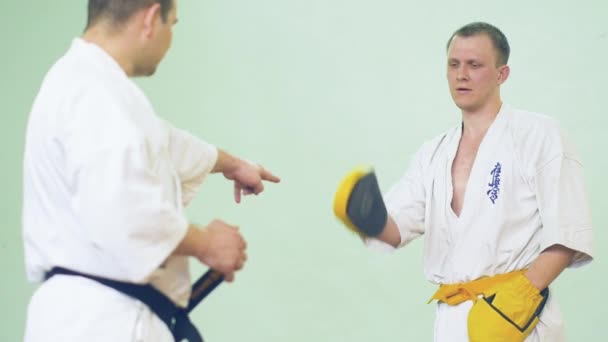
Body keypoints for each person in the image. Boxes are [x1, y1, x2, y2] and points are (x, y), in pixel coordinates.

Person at [21, 0, 280, 341]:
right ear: (149, 20)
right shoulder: (95, 94)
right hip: (102, 324)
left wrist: (233, 165)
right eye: (172, 23)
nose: (170, 37)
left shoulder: (87, 84)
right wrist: (207, 244)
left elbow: (161, 144)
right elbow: (123, 213)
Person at [335, 22, 593, 341]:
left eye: (475, 65)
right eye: (454, 64)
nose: (462, 75)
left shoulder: (540, 136)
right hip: (452, 320)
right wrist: (367, 218)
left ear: (502, 74)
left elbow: (566, 233)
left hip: (516, 319)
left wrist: (514, 304)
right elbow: (395, 231)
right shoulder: (432, 153)